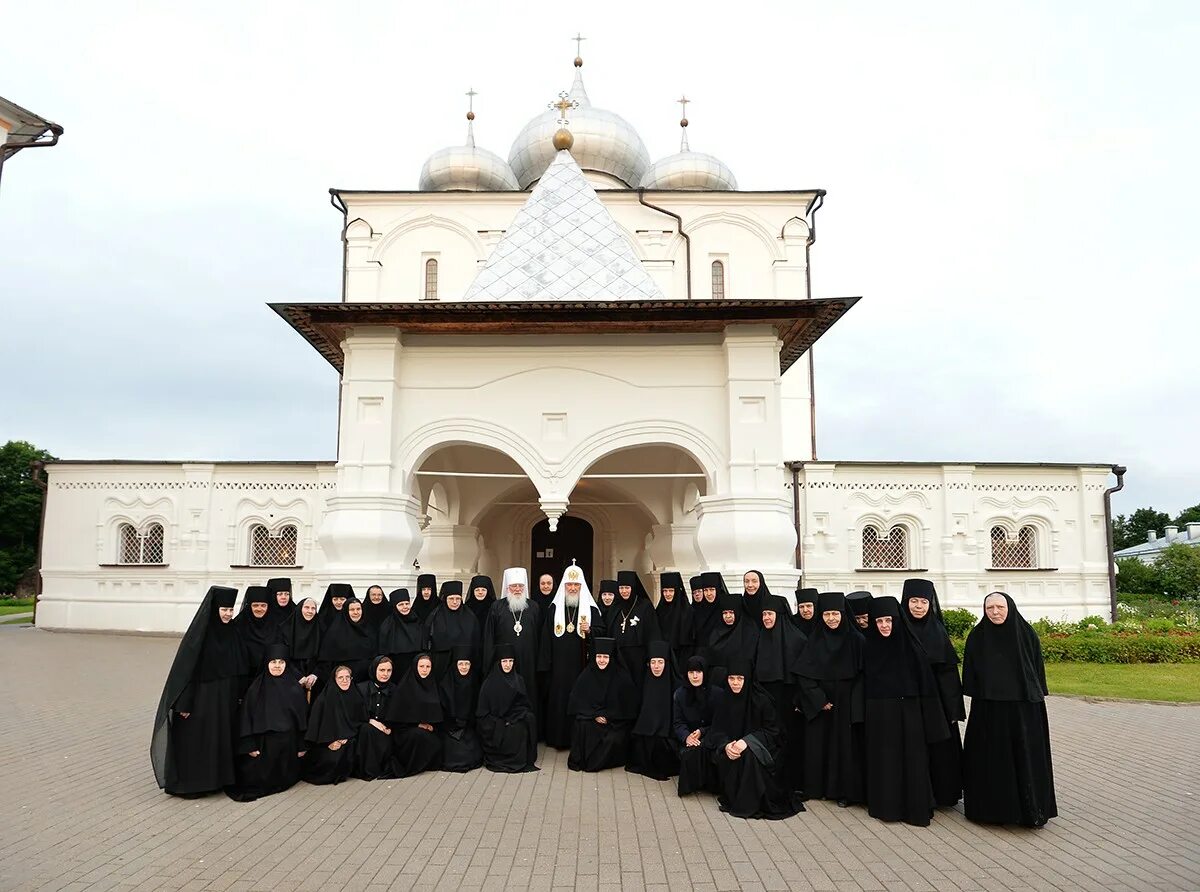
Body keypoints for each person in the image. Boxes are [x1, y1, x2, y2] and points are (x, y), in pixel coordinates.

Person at [961, 592, 1057, 828]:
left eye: (999, 607)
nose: (995, 612)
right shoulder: (977, 637)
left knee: (1025, 759)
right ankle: (991, 812)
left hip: (1024, 711)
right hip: (989, 711)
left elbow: (1036, 670)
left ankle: (1030, 810)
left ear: (1010, 607)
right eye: (989, 607)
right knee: (991, 760)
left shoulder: (1025, 635)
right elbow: (972, 674)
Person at [862, 597, 949, 826]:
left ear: (897, 621)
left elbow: (926, 688)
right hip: (880, 715)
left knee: (913, 761)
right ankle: (887, 807)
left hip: (909, 715)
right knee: (885, 762)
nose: (884, 626)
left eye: (888, 620)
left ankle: (915, 808)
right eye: (879, 621)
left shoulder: (912, 649)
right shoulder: (869, 648)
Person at [152, 585, 246, 797]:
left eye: (231, 610)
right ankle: (192, 785)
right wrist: (184, 703)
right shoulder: (200, 637)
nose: (228, 614)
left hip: (223, 701)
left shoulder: (233, 634)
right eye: (224, 610)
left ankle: (216, 781)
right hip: (200, 701)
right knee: (197, 741)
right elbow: (185, 672)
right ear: (214, 609)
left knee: (218, 739)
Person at [706, 657, 803, 820]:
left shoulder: (762, 700)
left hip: (763, 750)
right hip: (734, 748)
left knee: (749, 756)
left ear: (748, 678)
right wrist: (726, 745)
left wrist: (747, 742)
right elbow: (717, 730)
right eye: (731, 678)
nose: (735, 683)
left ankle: (748, 804)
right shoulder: (725, 699)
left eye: (740, 678)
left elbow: (773, 732)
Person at [795, 592, 865, 807]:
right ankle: (818, 788)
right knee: (818, 747)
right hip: (820, 705)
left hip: (847, 703)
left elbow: (863, 675)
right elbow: (804, 674)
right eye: (827, 614)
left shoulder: (857, 640)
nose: (831, 618)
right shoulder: (814, 640)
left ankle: (842, 792)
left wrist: (852, 702)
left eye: (835, 613)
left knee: (844, 748)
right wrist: (819, 700)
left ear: (843, 614)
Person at [901, 577, 965, 808]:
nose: (919, 606)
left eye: (924, 602)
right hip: (908, 700)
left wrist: (952, 709)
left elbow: (948, 673)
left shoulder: (937, 631)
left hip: (937, 703)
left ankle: (943, 794)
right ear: (906, 602)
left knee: (940, 748)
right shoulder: (899, 630)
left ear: (931, 604)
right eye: (914, 601)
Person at [226, 644, 308, 802]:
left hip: (288, 747)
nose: (277, 666)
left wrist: (301, 746)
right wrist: (249, 745)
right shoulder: (255, 689)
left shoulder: (295, 689)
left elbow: (302, 721)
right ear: (266, 663)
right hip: (263, 747)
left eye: (281, 662)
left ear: (287, 664)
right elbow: (245, 720)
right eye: (273, 662)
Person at [541, 561, 603, 749]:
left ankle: (578, 740)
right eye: (570, 585)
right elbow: (545, 639)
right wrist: (546, 665)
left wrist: (590, 630)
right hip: (559, 668)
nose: (573, 588)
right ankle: (558, 739)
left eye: (577, 585)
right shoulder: (554, 608)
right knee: (559, 700)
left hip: (580, 666)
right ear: (564, 586)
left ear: (582, 586)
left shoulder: (591, 609)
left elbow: (602, 633)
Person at [481, 567, 544, 731]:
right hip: (504, 664)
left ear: (525, 587)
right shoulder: (497, 607)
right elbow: (490, 637)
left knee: (528, 693)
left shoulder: (534, 607)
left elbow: (540, 636)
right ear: (507, 587)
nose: (517, 589)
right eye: (513, 586)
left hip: (529, 661)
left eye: (520, 586)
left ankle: (530, 730)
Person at [755, 600, 806, 794]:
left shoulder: (797, 639)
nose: (766, 618)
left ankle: (792, 783)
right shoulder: (761, 636)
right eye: (764, 614)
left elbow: (803, 674)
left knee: (790, 740)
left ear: (780, 615)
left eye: (770, 614)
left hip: (790, 701)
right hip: (766, 700)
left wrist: (799, 700)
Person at [567, 637, 637, 771]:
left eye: (605, 657)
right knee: (581, 724)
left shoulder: (622, 677)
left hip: (615, 723)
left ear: (611, 657)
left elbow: (627, 708)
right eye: (599, 656)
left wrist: (608, 716)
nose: (602, 660)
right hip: (592, 719)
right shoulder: (587, 674)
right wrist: (595, 715)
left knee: (612, 739)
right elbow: (578, 702)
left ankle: (595, 762)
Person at [476, 644, 539, 773]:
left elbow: (523, 704)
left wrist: (517, 716)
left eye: (511, 661)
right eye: (504, 661)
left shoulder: (518, 680)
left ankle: (523, 758)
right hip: (495, 723)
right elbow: (482, 714)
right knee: (513, 729)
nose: (508, 665)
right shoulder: (489, 683)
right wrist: (502, 722)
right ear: (498, 663)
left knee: (528, 719)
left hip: (513, 717)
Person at [303, 664, 366, 785]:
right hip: (325, 742)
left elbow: (360, 720)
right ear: (334, 679)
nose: (345, 680)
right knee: (332, 761)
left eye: (348, 677)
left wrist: (346, 735)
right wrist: (330, 741)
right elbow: (316, 727)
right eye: (340, 677)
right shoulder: (323, 700)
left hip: (350, 737)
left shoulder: (355, 696)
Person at [626, 641, 680, 781]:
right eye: (653, 662)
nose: (656, 667)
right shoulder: (643, 683)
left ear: (667, 663)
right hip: (645, 734)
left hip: (668, 736)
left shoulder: (677, 687)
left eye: (660, 662)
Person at [385, 653, 444, 777]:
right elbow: (397, 715)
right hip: (405, 730)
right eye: (421, 666)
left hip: (428, 728)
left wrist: (431, 726)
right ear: (415, 667)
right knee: (419, 736)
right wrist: (417, 724)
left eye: (428, 666)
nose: (424, 669)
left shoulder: (433, 684)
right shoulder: (405, 687)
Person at [610, 570, 661, 690]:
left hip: (638, 658)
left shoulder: (645, 606)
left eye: (627, 588)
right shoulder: (615, 607)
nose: (624, 591)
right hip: (618, 657)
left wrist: (652, 657)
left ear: (633, 588)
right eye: (621, 588)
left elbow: (653, 633)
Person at [673, 655, 715, 796]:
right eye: (691, 672)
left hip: (711, 736)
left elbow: (720, 723)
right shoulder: (680, 694)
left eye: (698, 672)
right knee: (689, 753)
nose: (695, 676)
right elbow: (678, 722)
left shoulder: (716, 694)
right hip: (690, 737)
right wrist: (686, 737)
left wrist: (702, 731)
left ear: (705, 673)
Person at [439, 645, 483, 772]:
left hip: (469, 727)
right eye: (461, 664)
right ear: (455, 665)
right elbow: (443, 710)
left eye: (467, 664)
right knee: (455, 753)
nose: (464, 667)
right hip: (450, 729)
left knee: (472, 752)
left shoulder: (475, 682)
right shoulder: (446, 683)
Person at [426, 580, 480, 677]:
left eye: (458, 599)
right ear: (445, 599)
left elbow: (476, 641)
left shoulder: (470, 616)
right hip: (441, 664)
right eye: (451, 599)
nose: (455, 602)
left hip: (464, 664)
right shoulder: (435, 616)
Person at [354, 655, 396, 780]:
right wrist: (370, 720)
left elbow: (398, 713)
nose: (385, 674)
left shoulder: (395, 689)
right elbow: (354, 712)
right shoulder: (361, 688)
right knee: (367, 729)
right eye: (382, 670)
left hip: (385, 730)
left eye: (389, 670)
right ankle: (367, 770)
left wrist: (391, 727)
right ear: (374, 670)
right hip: (365, 729)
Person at [317, 596, 375, 683]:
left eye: (358, 609)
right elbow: (327, 661)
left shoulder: (370, 630)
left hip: (366, 683)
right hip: (343, 682)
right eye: (352, 610)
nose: (356, 612)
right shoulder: (335, 631)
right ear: (346, 611)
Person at [704, 590, 759, 682]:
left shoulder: (750, 632)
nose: (728, 616)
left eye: (731, 612)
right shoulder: (716, 632)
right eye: (724, 613)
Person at [233, 586, 274, 690]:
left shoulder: (276, 627)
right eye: (255, 605)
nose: (259, 609)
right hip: (243, 679)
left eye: (263, 605)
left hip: (269, 679)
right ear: (249, 606)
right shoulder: (238, 625)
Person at [378, 589, 427, 672]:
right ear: (394, 606)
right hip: (396, 668)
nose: (405, 607)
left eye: (407, 603)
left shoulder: (417, 621)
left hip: (416, 666)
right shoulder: (387, 625)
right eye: (401, 604)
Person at [656, 571, 695, 674]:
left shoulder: (687, 611)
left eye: (671, 591)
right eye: (664, 591)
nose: (667, 594)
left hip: (682, 658)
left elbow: (689, 640)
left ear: (677, 591)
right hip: (664, 657)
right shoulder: (659, 610)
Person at [282, 596, 321, 696]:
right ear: (300, 608)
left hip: (315, 680)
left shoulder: (321, 629)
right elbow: (282, 655)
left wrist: (314, 675)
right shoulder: (285, 629)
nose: (310, 611)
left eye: (313, 608)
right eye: (306, 607)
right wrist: (298, 676)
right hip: (291, 677)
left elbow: (326, 657)